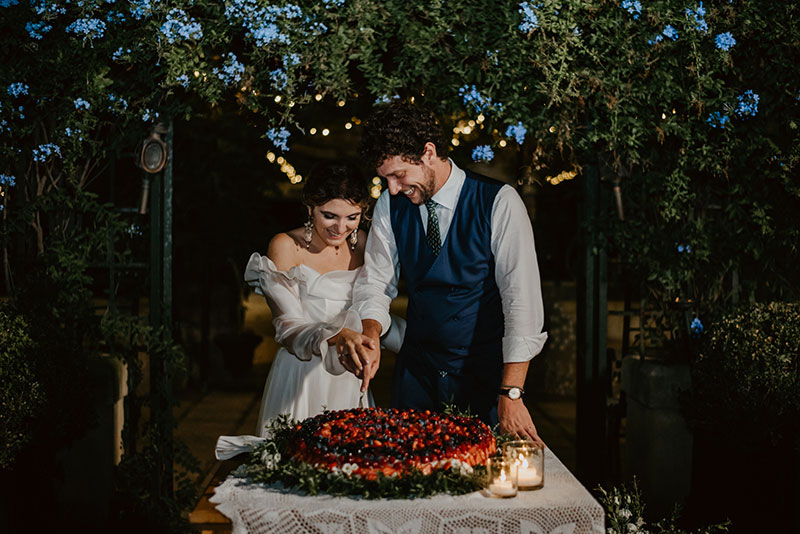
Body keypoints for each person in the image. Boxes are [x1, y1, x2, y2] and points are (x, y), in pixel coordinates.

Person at [342, 102, 548, 443]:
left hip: (482, 376)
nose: (393, 188)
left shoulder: (499, 202)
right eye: (386, 179)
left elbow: (522, 303)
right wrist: (371, 333)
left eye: (398, 175)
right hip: (416, 377)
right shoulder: (389, 205)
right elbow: (375, 283)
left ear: (428, 152)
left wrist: (512, 392)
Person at [244, 162, 404, 436]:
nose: (341, 228)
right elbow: (288, 327)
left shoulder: (364, 244)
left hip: (350, 376)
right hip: (302, 374)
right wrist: (337, 334)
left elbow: (376, 299)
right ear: (309, 208)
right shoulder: (286, 246)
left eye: (353, 217)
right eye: (329, 215)